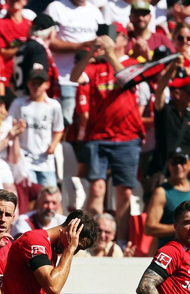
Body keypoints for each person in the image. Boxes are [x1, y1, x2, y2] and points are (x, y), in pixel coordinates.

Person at [70, 31, 144, 242]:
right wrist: (90, 52)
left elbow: (128, 81)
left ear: (125, 40)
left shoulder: (132, 63)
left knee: (125, 193)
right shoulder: (95, 66)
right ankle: (92, 242)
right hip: (98, 136)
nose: (109, 38)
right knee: (96, 189)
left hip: (127, 137)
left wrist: (110, 54)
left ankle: (120, 242)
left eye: (116, 35)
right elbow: (74, 77)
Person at [45, 0, 103, 126]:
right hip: (64, 79)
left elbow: (102, 41)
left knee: (88, 124)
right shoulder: (56, 7)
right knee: (64, 125)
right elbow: (49, 41)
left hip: (89, 80)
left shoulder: (94, 11)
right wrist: (82, 46)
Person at [8, 68, 64, 187]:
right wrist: (17, 130)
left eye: (40, 83)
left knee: (50, 193)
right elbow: (8, 125)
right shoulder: (19, 104)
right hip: (25, 160)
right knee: (30, 194)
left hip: (46, 161)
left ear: (47, 84)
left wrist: (53, 145)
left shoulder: (54, 106)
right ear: (28, 84)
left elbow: (58, 129)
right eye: (33, 83)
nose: (36, 86)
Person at [151, 61, 190, 181]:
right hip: (166, 176)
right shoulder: (164, 111)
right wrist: (172, 67)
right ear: (177, 94)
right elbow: (160, 89)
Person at [146, 149, 190, 246]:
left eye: (182, 162)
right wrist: (180, 227)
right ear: (169, 165)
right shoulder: (161, 192)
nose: (178, 166)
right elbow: (149, 228)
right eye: (174, 162)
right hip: (171, 250)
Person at [10, 15, 59, 101]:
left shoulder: (24, 46)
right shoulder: (37, 48)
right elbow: (37, 76)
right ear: (50, 33)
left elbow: (11, 81)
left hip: (20, 97)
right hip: (32, 99)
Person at [0, 0, 31, 87]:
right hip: (8, 78)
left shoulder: (30, 24)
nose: (14, 1)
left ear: (25, 1)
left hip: (28, 78)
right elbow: (0, 54)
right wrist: (23, 47)